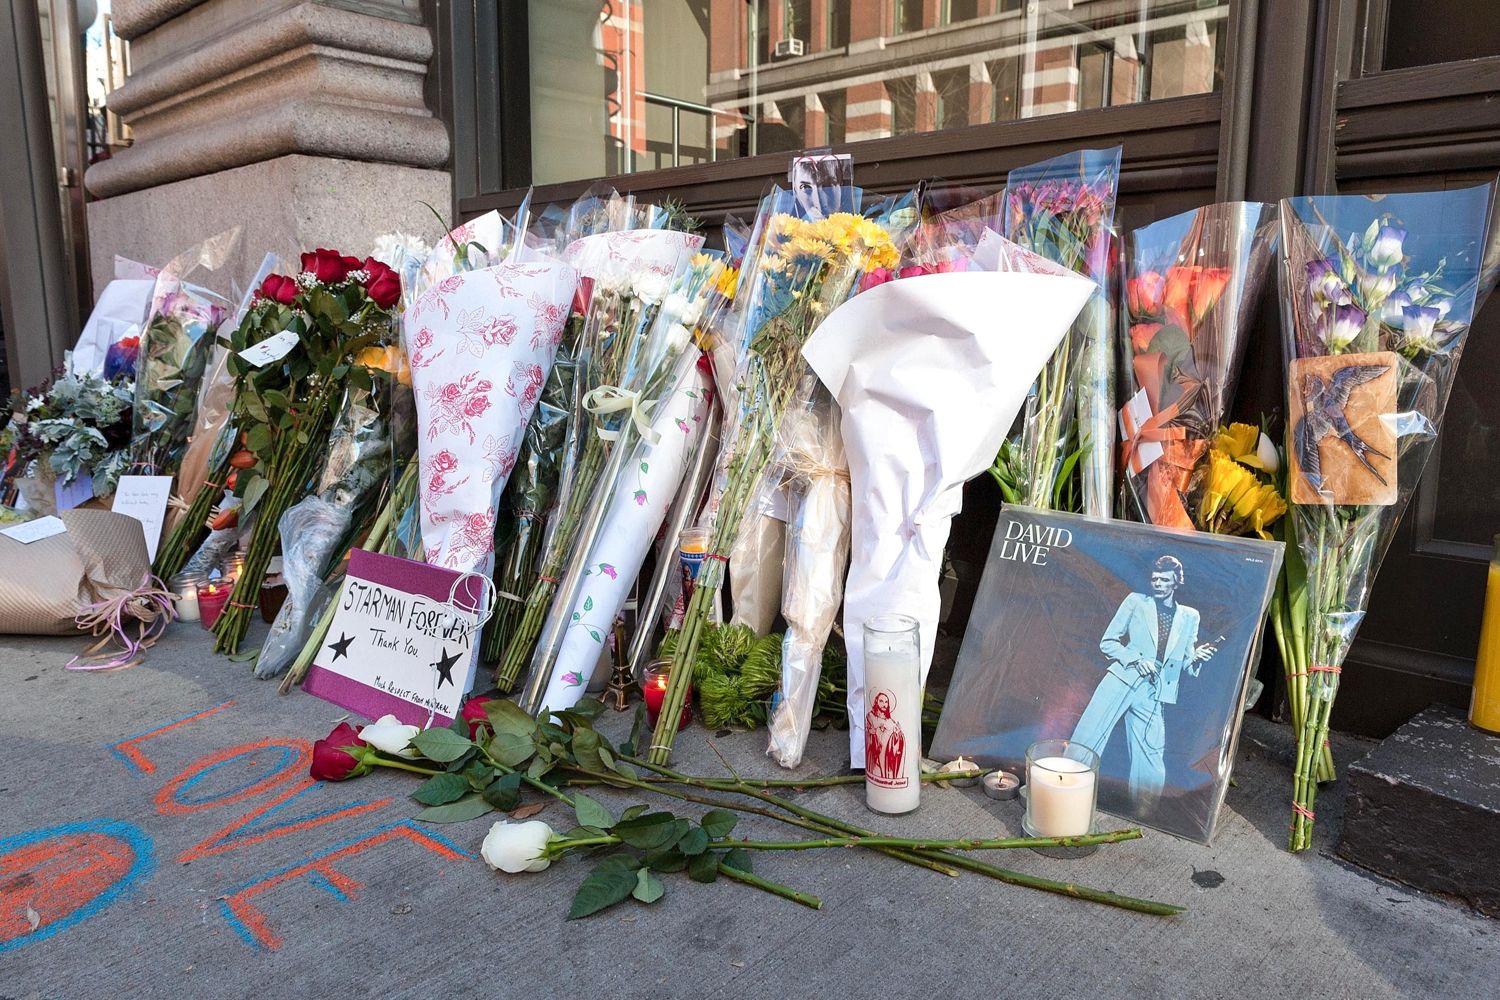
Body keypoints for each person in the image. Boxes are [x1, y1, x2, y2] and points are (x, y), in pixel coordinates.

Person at [1069, 555, 1218, 806]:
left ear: (1176, 582)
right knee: (1087, 737)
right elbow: (1108, 642)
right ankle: (1066, 791)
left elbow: (1185, 662)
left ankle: (1145, 810)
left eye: (1164, 579)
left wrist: (1197, 658)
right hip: (1121, 679)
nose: (1157, 583)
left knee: (1150, 756)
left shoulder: (1190, 616)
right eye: (1154, 578)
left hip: (1154, 690)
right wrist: (1137, 659)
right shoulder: (1136, 602)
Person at [865, 691, 906, 785]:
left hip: (889, 751)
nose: (884, 704)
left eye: (886, 702)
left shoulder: (890, 720)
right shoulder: (871, 716)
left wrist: (897, 733)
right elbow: (870, 731)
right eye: (881, 701)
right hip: (877, 748)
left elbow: (897, 736)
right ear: (876, 702)